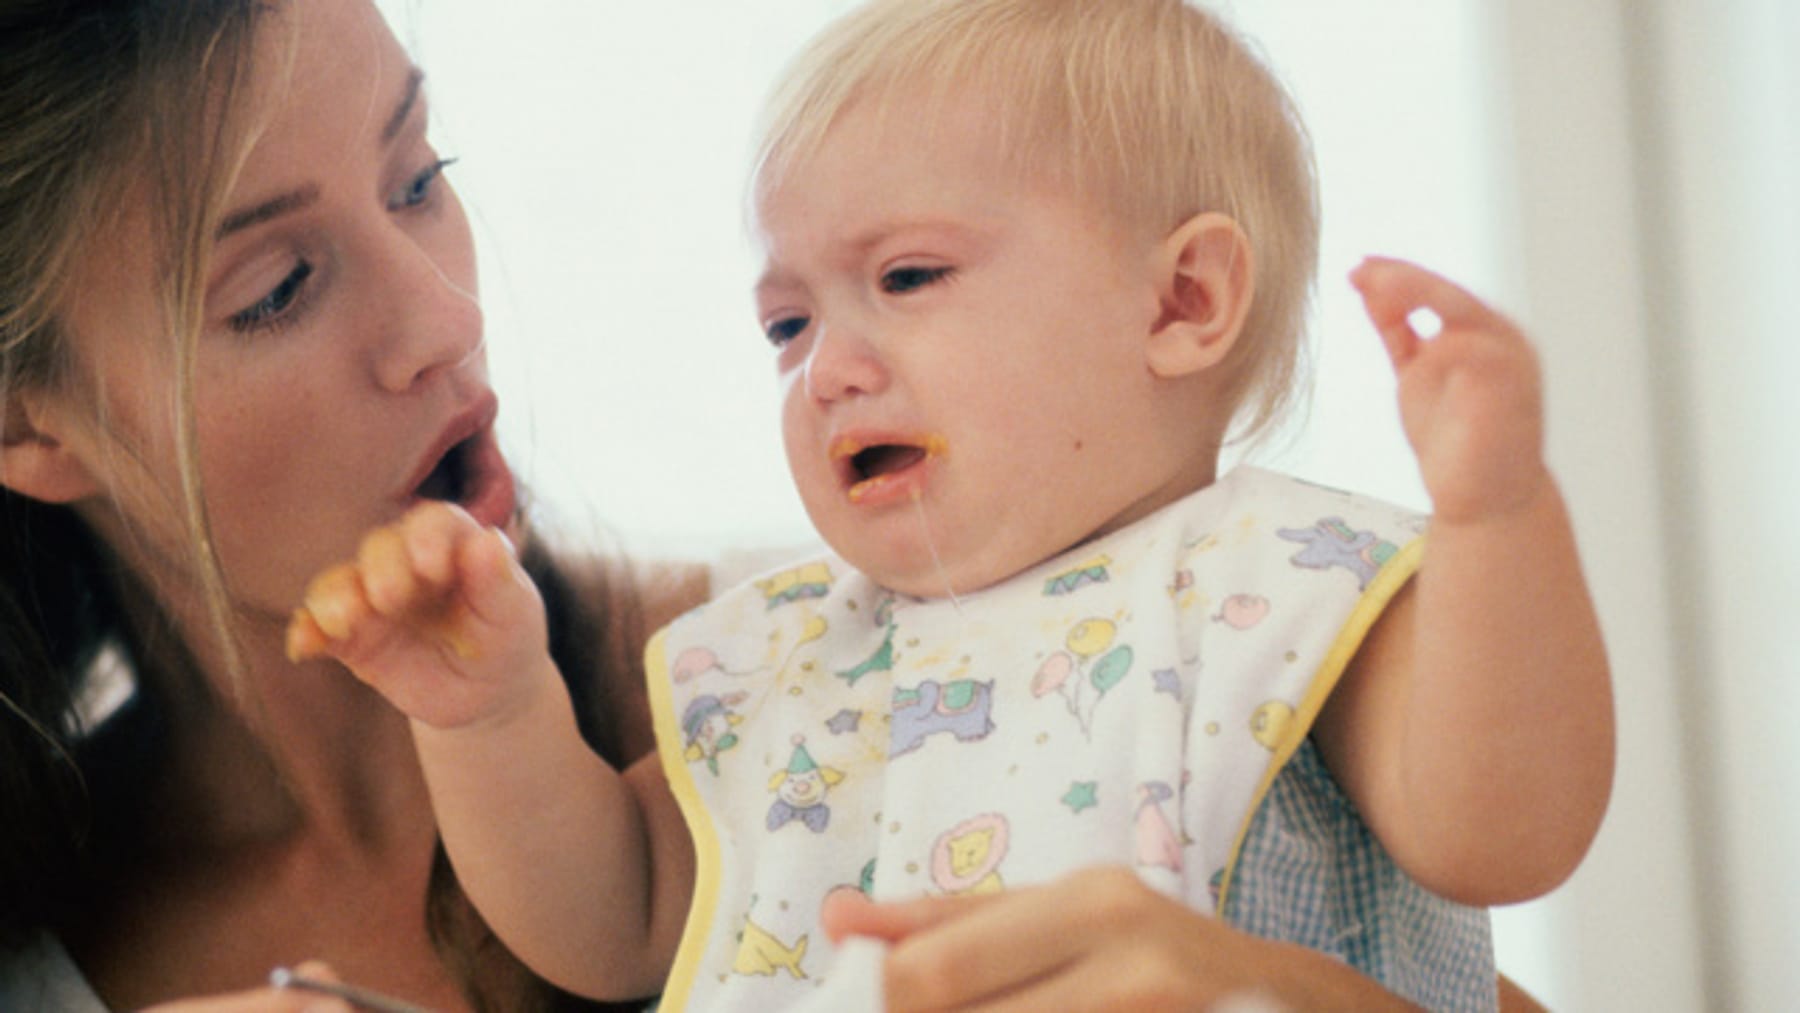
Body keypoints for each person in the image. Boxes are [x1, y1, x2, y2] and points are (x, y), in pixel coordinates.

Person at [291, 0, 1614, 1010]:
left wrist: (1499, 517)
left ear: (1182, 303)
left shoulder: (1272, 581)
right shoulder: (799, 652)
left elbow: (1497, 831)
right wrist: (493, 712)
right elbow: (611, 918)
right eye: (788, 322)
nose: (826, 369)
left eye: (910, 276)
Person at [0, 0, 701, 1008]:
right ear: (29, 427)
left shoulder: (821, 693)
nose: (445, 319)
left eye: (418, 180)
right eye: (279, 289)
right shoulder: (42, 960)